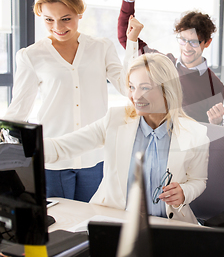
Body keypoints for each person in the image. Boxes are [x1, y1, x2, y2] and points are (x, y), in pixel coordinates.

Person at [44, 53, 210, 223]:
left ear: (167, 90)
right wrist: (26, 146)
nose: (135, 96)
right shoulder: (115, 120)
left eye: (145, 87)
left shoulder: (194, 133)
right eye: (131, 87)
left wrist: (184, 192)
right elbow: (62, 147)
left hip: (168, 223)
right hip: (116, 221)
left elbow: (198, 180)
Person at [3, 0, 128, 202]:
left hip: (95, 157)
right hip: (53, 160)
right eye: (49, 20)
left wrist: (134, 42)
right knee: (59, 227)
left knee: (92, 224)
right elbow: (18, 110)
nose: (58, 27)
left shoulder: (101, 47)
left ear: (80, 13)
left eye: (66, 19)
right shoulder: (31, 56)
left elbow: (128, 88)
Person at [117, 0, 224, 125]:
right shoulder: (164, 63)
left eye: (193, 42)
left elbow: (212, 135)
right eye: (183, 40)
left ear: (207, 43)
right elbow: (127, 38)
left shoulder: (214, 86)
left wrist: (217, 123)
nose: (186, 47)